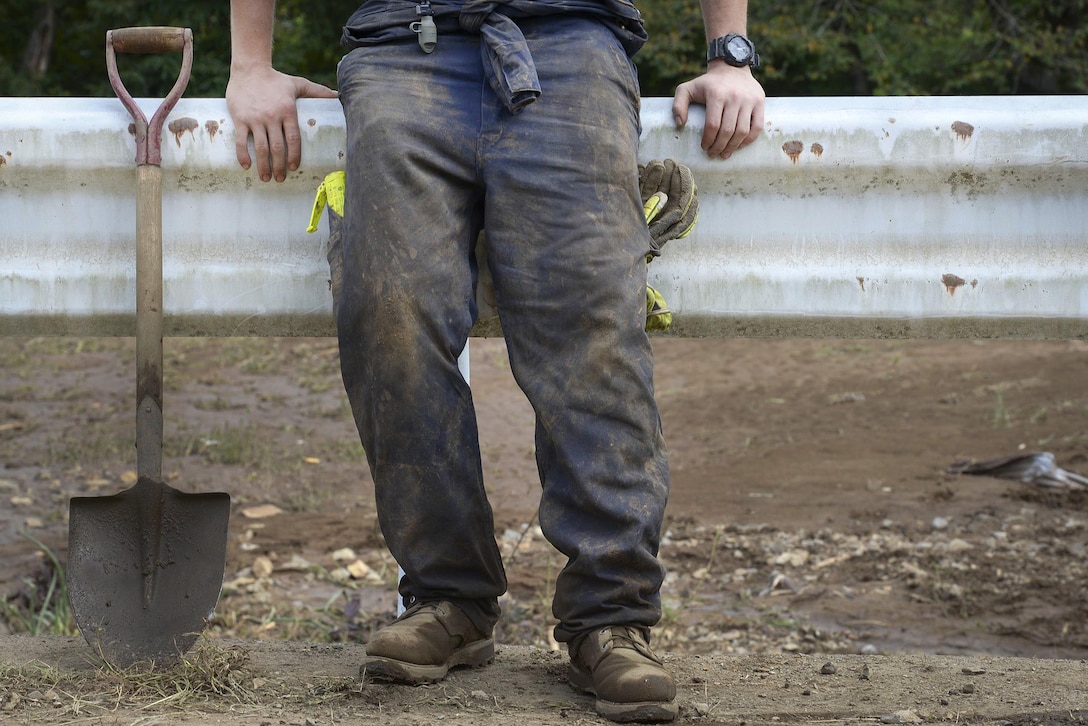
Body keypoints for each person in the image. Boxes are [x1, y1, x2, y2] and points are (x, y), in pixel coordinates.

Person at [227, 1, 764, 722]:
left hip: (573, 42)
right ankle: (449, 598)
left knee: (592, 321)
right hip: (400, 46)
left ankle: (611, 618)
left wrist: (729, 56)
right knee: (388, 310)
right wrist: (250, 65)